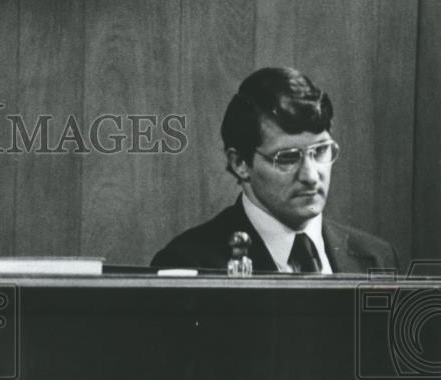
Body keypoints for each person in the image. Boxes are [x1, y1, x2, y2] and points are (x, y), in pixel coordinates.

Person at [151, 67, 397, 273]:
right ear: (240, 164)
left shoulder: (378, 258)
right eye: (287, 158)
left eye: (320, 152)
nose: (311, 176)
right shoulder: (188, 262)